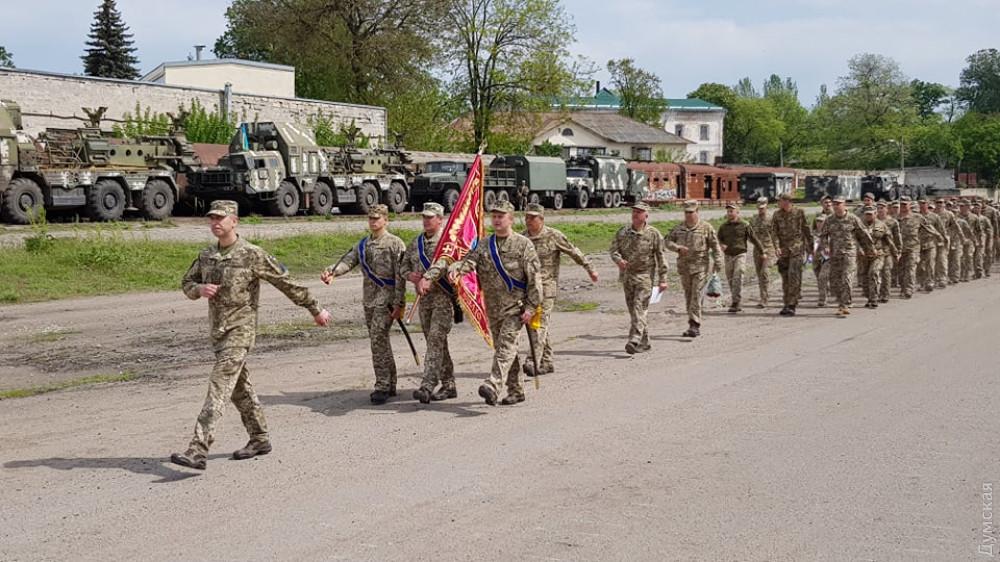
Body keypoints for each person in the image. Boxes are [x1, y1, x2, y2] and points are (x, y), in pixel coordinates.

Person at [171, 200, 331, 471]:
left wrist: (315, 309)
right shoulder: (207, 255)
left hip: (241, 332)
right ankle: (259, 438)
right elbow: (186, 283)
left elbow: (286, 282)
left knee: (219, 386)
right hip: (218, 334)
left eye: (221, 218)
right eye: (211, 219)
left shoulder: (251, 254)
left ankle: (198, 449)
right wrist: (198, 290)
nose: (215, 223)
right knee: (239, 389)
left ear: (235, 221)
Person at [418, 200, 542, 406]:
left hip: (516, 307)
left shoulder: (523, 245)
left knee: (506, 345)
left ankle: (493, 384)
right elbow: (469, 262)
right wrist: (457, 268)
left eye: (501, 216)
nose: (497, 219)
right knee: (504, 348)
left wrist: (531, 307)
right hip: (493, 308)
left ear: (510, 219)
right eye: (494, 216)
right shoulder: (485, 244)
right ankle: (517, 389)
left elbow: (534, 279)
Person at [321, 204, 406, 405]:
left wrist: (399, 303)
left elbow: (400, 277)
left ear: (386, 220)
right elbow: (348, 262)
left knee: (377, 339)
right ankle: (391, 382)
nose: (373, 221)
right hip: (369, 299)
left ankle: (382, 386)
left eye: (377, 218)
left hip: (386, 301)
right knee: (380, 341)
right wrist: (331, 271)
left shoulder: (395, 244)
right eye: (370, 218)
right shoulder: (363, 245)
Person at [522, 202, 598, 376]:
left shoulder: (553, 236)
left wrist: (590, 268)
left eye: (533, 217)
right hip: (528, 289)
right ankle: (547, 362)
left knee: (539, 324)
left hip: (547, 288)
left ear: (541, 219)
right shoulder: (522, 239)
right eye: (527, 217)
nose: (529, 220)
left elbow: (573, 251)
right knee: (540, 325)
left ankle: (533, 360)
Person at [401, 202, 457, 404]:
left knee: (435, 339)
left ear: (440, 219)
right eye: (424, 217)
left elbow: (445, 265)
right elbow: (403, 266)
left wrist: (428, 278)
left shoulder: (447, 243)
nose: (426, 220)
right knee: (437, 343)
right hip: (424, 302)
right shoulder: (416, 243)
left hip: (443, 300)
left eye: (430, 217)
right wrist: (411, 276)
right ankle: (449, 385)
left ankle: (427, 384)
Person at [609, 202, 668, 353]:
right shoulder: (623, 232)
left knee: (638, 306)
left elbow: (661, 257)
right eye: (634, 211)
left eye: (639, 212)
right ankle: (645, 342)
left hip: (645, 277)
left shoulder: (653, 234)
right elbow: (614, 250)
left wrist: (663, 279)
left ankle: (634, 338)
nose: (635, 214)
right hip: (627, 277)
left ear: (646, 215)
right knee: (635, 311)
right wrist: (618, 260)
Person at [665, 200, 723, 336]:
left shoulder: (706, 228)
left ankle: (694, 324)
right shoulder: (678, 228)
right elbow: (667, 242)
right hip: (684, 268)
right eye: (686, 212)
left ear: (697, 212)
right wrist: (677, 248)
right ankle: (692, 319)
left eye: (691, 212)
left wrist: (718, 261)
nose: (689, 215)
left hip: (701, 267)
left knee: (696, 294)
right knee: (689, 295)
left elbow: (715, 246)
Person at [818, 197, 875, 317]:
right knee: (835, 280)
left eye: (839, 204)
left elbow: (863, 235)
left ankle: (845, 304)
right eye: (835, 204)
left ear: (844, 205)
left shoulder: (853, 219)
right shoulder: (829, 220)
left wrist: (870, 249)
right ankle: (840, 303)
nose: (836, 206)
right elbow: (823, 236)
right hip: (835, 254)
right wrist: (825, 246)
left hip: (850, 253)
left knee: (847, 278)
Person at [716, 201, 765, 312]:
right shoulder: (723, 226)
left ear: (737, 212)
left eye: (731, 211)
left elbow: (754, 239)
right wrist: (721, 244)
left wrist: (762, 252)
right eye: (728, 211)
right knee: (730, 279)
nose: (729, 213)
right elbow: (718, 238)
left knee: (738, 275)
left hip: (740, 254)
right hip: (728, 255)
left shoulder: (744, 225)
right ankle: (735, 299)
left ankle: (736, 302)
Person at [770, 193, 812, 316]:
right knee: (785, 278)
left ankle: (792, 304)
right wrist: (777, 247)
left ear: (787, 201)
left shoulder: (799, 212)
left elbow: (806, 229)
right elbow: (774, 232)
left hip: (797, 249)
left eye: (780, 201)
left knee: (794, 276)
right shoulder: (777, 215)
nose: (778, 203)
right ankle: (786, 303)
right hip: (783, 251)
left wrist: (811, 246)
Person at [896, 197, 942, 299]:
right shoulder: (896, 218)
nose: (903, 206)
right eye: (902, 204)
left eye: (905, 204)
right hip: (899, 248)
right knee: (901, 270)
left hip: (913, 247)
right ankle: (903, 288)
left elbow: (929, 228)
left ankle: (909, 289)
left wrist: (939, 237)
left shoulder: (917, 217)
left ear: (909, 205)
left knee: (911, 268)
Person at [858, 205, 897, 308]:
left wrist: (895, 253)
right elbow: (854, 239)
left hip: (878, 255)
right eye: (867, 214)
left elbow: (889, 240)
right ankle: (869, 297)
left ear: (875, 214)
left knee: (874, 273)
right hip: (864, 256)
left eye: (871, 214)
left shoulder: (882, 225)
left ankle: (874, 298)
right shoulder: (859, 225)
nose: (869, 216)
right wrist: (859, 249)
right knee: (864, 278)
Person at [748, 197, 775, 308]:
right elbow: (749, 235)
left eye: (763, 208)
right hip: (757, 250)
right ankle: (763, 296)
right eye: (759, 208)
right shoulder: (754, 220)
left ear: (766, 206)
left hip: (769, 249)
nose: (761, 210)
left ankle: (765, 298)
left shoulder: (771, 219)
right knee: (759, 275)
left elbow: (776, 234)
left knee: (764, 273)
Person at [916, 199, 946, 292]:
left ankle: (930, 282)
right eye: (920, 203)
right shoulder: (915, 216)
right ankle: (921, 282)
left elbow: (941, 229)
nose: (922, 205)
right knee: (920, 265)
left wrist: (943, 241)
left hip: (931, 243)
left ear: (927, 204)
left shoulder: (934, 217)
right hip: (918, 244)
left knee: (930, 263)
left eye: (924, 203)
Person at [876, 202, 900, 303]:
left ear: (887, 209)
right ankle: (875, 294)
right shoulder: (872, 221)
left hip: (887, 252)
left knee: (886, 273)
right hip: (875, 252)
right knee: (874, 274)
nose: (880, 210)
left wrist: (898, 250)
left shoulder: (893, 222)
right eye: (878, 208)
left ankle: (885, 294)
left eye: (882, 208)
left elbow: (897, 237)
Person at [957, 200, 976, 282]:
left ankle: (967, 274)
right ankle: (961, 274)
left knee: (968, 256)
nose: (961, 208)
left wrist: (976, 240)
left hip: (969, 240)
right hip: (959, 240)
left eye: (963, 206)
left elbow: (978, 229)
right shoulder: (956, 216)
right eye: (960, 206)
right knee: (960, 257)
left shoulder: (974, 217)